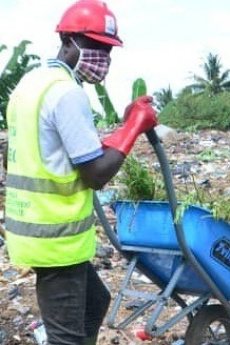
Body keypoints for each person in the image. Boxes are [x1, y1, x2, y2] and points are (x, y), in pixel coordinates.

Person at [4, 0, 158, 344]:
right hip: (57, 240)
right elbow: (96, 175)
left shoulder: (31, 85)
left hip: (32, 232)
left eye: (109, 50)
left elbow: (45, 151)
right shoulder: (67, 93)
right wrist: (133, 128)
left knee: (95, 302)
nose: (104, 58)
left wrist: (119, 130)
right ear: (69, 40)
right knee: (66, 337)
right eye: (98, 47)